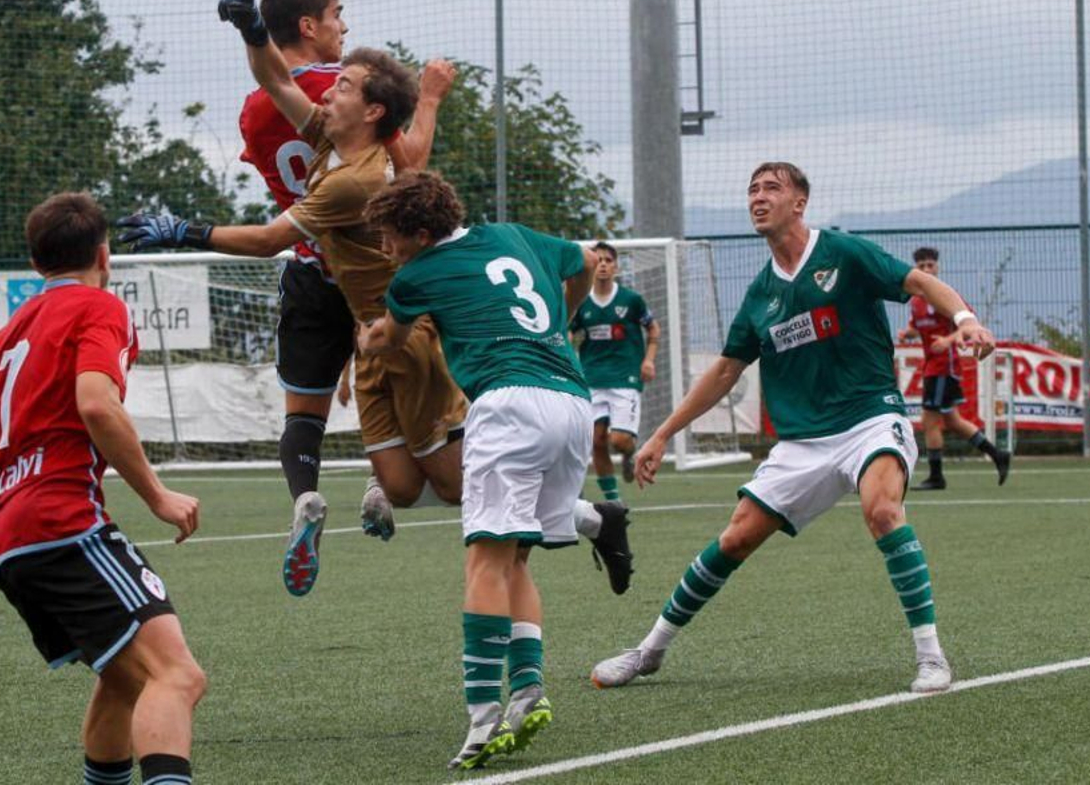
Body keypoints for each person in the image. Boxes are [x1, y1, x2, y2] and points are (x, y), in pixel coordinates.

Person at [590, 163, 995, 697]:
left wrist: (965, 319)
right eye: (752, 190)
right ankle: (650, 650)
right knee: (735, 537)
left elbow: (917, 282)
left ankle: (931, 656)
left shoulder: (842, 254)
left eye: (771, 188)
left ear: (799, 202)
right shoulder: (761, 295)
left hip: (872, 417)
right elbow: (726, 370)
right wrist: (663, 433)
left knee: (881, 508)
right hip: (804, 441)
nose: (758, 197)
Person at [117, 0, 468, 571]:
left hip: (405, 332)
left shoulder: (355, 179)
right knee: (400, 487)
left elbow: (267, 241)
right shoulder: (333, 137)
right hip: (368, 330)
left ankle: (572, 511)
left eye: (344, 88)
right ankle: (385, 486)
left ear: (375, 113)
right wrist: (254, 31)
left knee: (456, 486)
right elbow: (279, 81)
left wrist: (185, 230)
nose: (328, 91)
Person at [0, 192, 206, 785]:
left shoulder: (3, 340)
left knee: (124, 675)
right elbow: (97, 404)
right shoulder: (100, 308)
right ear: (104, 255)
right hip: (60, 521)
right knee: (177, 677)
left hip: (3, 541)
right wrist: (157, 495)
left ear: (36, 264)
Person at [358, 171, 632, 770]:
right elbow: (586, 258)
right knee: (514, 558)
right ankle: (527, 693)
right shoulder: (511, 234)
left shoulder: (415, 275)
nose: (386, 250)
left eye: (390, 238)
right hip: (570, 401)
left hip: (508, 405)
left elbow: (394, 336)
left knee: (483, 559)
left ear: (422, 233)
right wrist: (564, 317)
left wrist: (369, 338)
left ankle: (481, 718)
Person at [223, 0, 453, 597]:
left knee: (304, 413)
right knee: (430, 416)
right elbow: (410, 168)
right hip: (370, 272)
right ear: (308, 25)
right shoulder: (343, 92)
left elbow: (270, 81)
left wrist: (248, 31)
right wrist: (427, 97)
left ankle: (305, 501)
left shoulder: (254, 107)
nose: (343, 28)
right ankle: (386, 481)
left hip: (305, 261)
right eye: (335, 16)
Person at [898, 246, 1011, 490]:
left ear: (937, 267)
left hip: (943, 367)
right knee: (952, 420)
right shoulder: (916, 301)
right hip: (931, 366)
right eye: (922, 266)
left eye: (930, 265)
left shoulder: (944, 296)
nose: (927, 269)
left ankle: (936, 476)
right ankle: (997, 454)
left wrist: (947, 341)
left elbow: (967, 324)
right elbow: (919, 326)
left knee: (929, 420)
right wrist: (908, 333)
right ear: (916, 269)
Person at [570, 241, 660, 502]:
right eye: (598, 260)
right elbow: (568, 330)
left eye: (608, 260)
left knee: (618, 441)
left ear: (615, 267)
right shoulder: (581, 302)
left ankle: (629, 454)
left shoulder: (631, 300)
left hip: (625, 378)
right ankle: (613, 500)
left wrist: (649, 360)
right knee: (597, 440)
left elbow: (653, 329)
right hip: (592, 378)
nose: (603, 265)